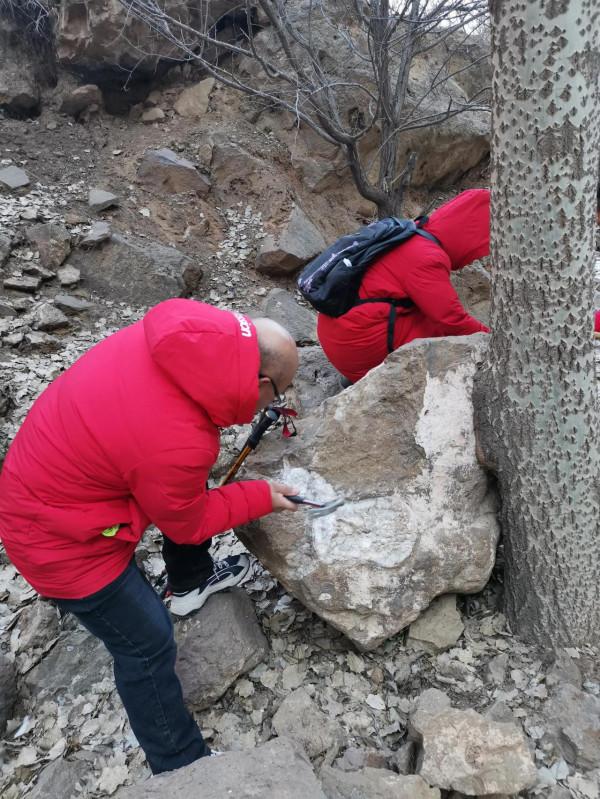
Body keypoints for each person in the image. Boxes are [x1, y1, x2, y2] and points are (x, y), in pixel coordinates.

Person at [0, 299, 300, 774]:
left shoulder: (183, 339)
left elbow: (172, 484)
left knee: (181, 482)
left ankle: (189, 582)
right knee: (147, 643)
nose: (276, 406)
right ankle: (181, 766)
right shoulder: (178, 439)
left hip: (45, 483)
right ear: (259, 381)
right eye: (279, 395)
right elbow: (189, 521)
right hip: (57, 542)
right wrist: (262, 495)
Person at [317, 189, 491, 383]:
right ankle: (368, 373)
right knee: (442, 336)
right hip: (357, 346)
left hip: (341, 336)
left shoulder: (411, 233)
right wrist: (495, 341)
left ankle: (359, 369)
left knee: (426, 312)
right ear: (468, 236)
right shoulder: (426, 257)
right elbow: (451, 320)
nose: (473, 260)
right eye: (478, 251)